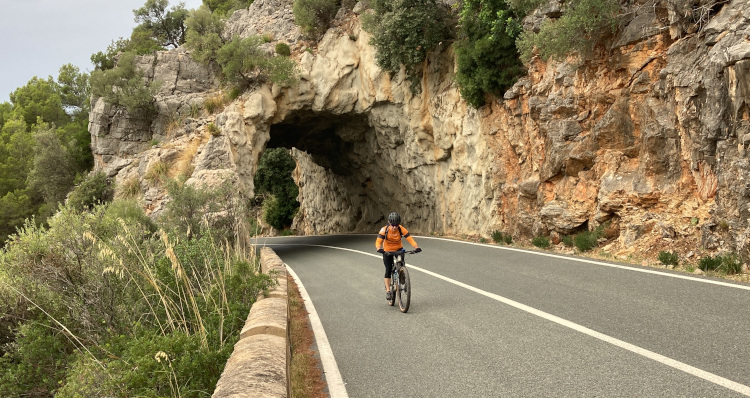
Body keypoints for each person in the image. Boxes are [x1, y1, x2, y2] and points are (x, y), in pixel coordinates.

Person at [375, 212, 422, 301]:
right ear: (389, 223)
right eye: (393, 225)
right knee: (388, 269)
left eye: (396, 225)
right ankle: (388, 291)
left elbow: (409, 238)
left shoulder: (401, 229)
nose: (394, 227)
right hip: (387, 251)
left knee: (401, 264)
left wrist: (416, 247)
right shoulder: (384, 230)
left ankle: (402, 275)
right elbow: (378, 241)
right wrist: (379, 248)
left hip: (398, 249)